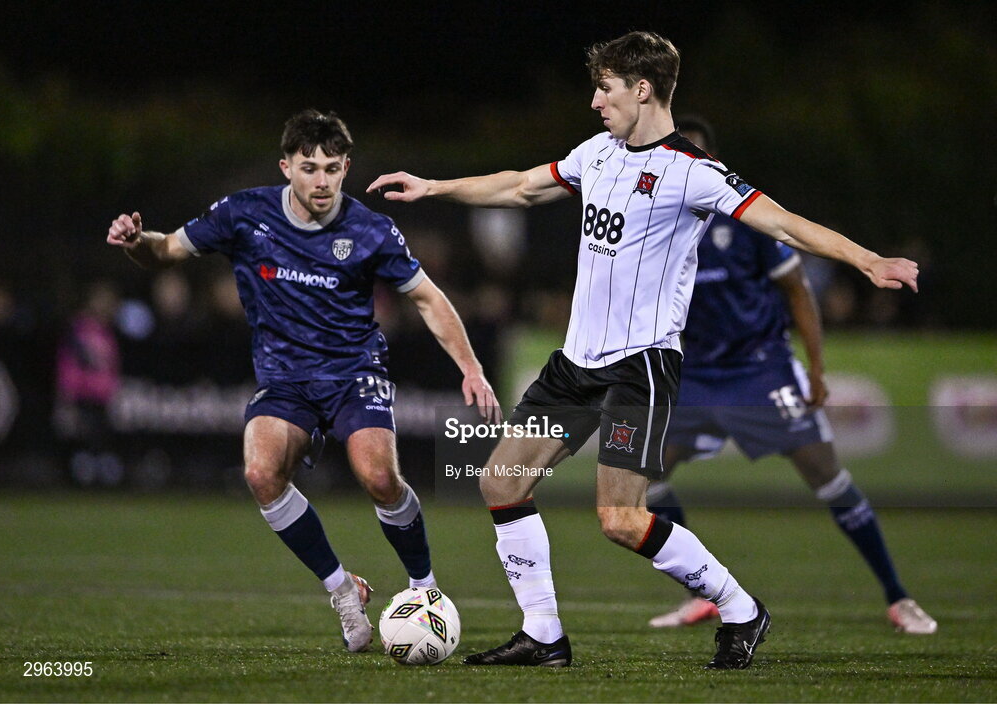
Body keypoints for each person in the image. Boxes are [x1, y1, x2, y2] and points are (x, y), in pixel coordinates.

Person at [368, 31, 918, 670]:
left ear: (643, 88)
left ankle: (741, 608)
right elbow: (520, 187)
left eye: (605, 87)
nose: (596, 100)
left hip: (641, 367)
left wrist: (866, 259)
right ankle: (544, 635)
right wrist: (433, 187)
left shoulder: (695, 173)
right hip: (574, 363)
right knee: (500, 480)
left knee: (621, 519)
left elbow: (785, 223)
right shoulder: (596, 153)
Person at [106, 109, 500, 653]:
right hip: (284, 380)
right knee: (260, 471)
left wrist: (471, 369)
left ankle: (424, 590)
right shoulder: (244, 214)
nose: (321, 181)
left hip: (353, 372)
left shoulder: (370, 230)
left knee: (379, 477)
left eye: (332, 169)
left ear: (346, 169)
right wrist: (136, 242)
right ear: (286, 166)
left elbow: (428, 298)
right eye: (309, 168)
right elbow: (167, 249)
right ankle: (343, 589)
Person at [644, 117, 937, 635]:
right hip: (697, 375)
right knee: (643, 479)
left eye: (695, 153)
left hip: (762, 371)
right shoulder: (656, 225)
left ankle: (899, 598)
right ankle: (703, 593)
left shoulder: (745, 218)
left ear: (711, 161)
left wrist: (816, 369)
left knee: (826, 475)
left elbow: (798, 291)